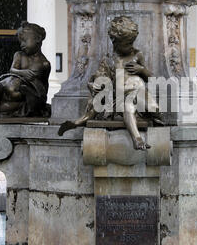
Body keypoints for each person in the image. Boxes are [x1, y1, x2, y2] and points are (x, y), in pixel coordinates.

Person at [58, 16, 163, 150]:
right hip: (121, 97)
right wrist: (98, 85)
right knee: (127, 107)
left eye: (132, 43)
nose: (130, 47)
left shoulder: (137, 55)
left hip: (140, 92)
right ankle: (137, 139)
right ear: (114, 41)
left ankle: (157, 123)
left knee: (154, 109)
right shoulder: (109, 60)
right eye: (126, 44)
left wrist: (141, 69)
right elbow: (101, 79)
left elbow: (151, 78)